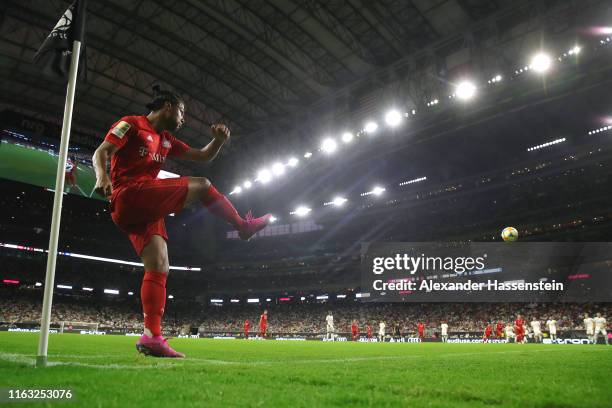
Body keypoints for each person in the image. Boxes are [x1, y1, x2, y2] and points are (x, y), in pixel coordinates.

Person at [92, 87, 271, 358]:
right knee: (202, 185)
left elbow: (202, 156)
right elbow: (101, 151)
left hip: (144, 209)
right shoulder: (131, 124)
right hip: (128, 195)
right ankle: (241, 226)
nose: (184, 119)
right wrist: (102, 177)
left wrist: (219, 141)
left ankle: (152, 336)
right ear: (167, 106)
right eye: (182, 112)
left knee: (160, 266)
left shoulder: (166, 140)